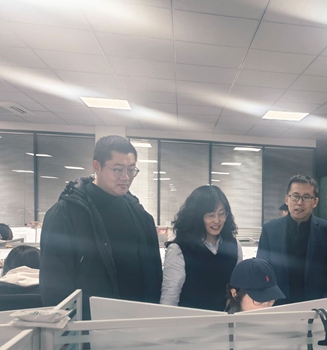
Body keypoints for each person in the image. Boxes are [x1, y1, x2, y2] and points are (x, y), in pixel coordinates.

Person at [40, 135, 162, 319]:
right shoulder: (65, 214)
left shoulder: (139, 214)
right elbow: (54, 284)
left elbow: (153, 271)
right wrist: (66, 328)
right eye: (118, 170)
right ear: (97, 166)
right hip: (89, 324)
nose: (126, 177)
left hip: (137, 321)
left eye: (131, 170)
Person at [257, 175, 327, 304]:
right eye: (295, 196)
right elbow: (261, 270)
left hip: (316, 306)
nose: (300, 202)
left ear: (315, 202)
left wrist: (326, 302)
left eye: (306, 197)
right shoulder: (270, 229)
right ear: (287, 199)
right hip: (277, 305)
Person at [160, 185, 242, 311]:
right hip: (190, 319)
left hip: (224, 319)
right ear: (196, 217)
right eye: (210, 215)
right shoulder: (179, 249)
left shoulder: (234, 245)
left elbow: (238, 289)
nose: (217, 220)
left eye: (221, 214)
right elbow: (170, 297)